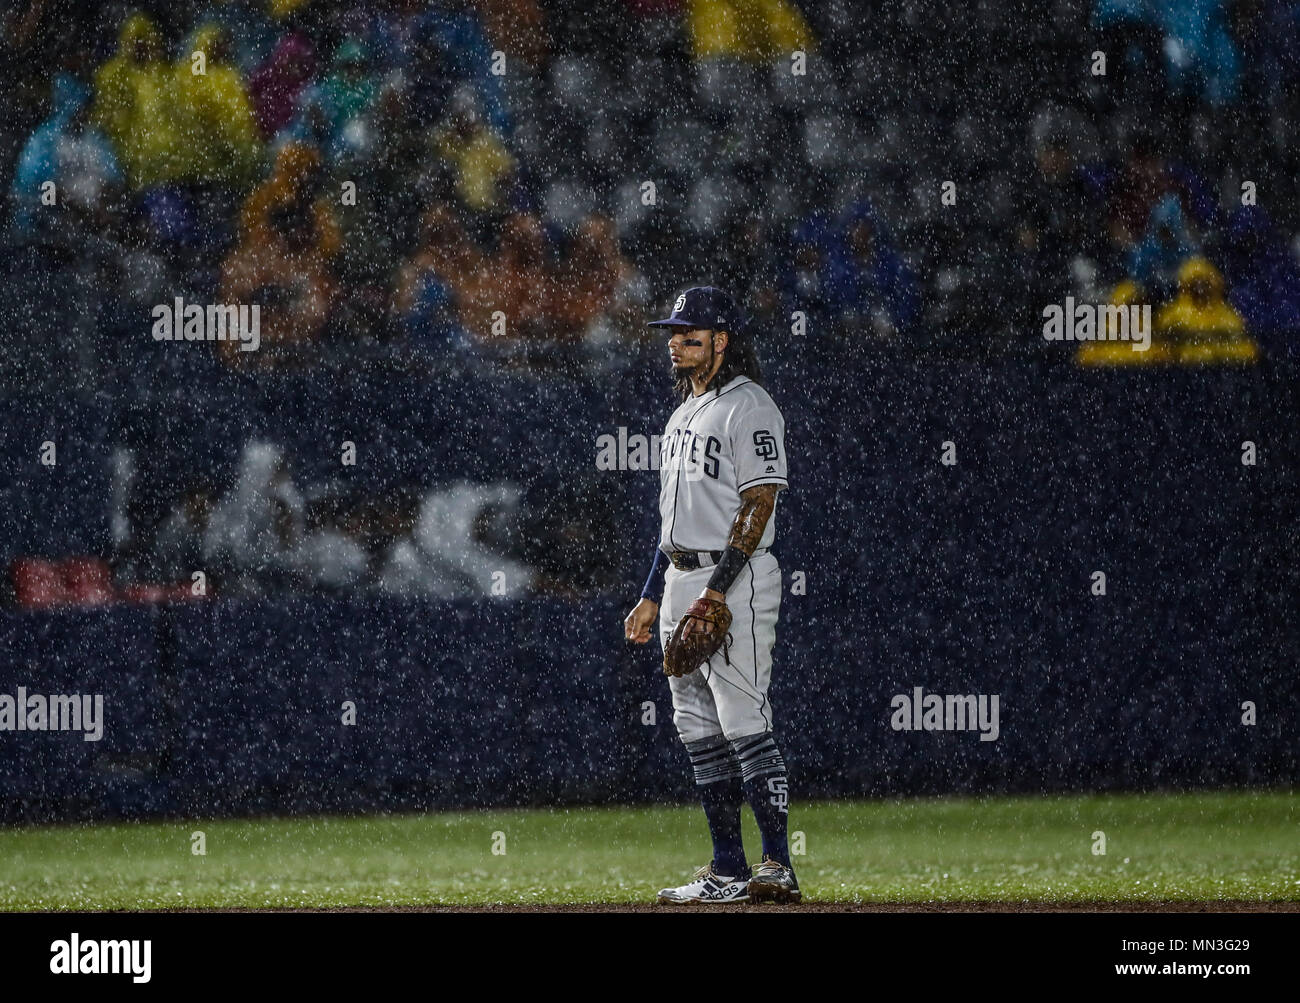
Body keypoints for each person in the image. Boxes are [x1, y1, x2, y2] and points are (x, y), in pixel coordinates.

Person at [623, 286, 798, 904]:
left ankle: (777, 866)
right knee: (696, 723)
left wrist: (718, 591)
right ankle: (728, 869)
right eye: (673, 332)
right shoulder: (679, 415)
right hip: (678, 578)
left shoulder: (749, 406)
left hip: (736, 577)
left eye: (690, 332)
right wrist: (651, 594)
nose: (677, 341)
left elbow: (760, 501)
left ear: (721, 340)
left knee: (743, 716)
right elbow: (674, 521)